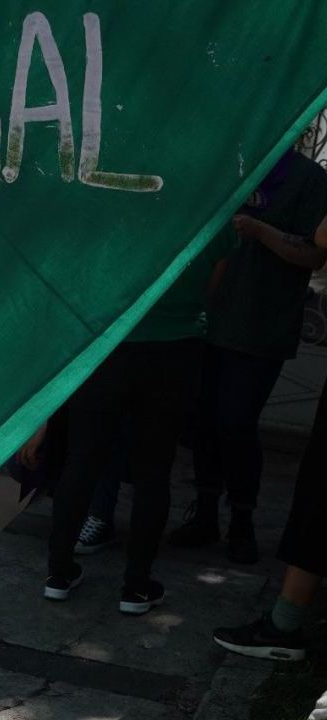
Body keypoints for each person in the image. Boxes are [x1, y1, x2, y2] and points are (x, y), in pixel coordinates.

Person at [44, 224, 234, 615]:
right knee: (153, 470)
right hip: (174, 349)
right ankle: (136, 584)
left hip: (107, 343)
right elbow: (213, 285)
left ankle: (58, 573)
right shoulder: (211, 205)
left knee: (82, 460)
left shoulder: (111, 198)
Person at [172, 151, 327, 564]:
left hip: (262, 326)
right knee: (202, 422)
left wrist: (261, 231)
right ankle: (205, 512)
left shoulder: (309, 179)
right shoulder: (232, 162)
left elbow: (315, 255)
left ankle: (243, 519)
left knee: (235, 423)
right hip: (206, 320)